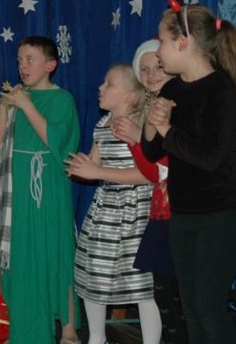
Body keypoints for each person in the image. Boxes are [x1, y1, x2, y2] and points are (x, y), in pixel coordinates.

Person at [141, 0, 236, 344]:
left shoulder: (220, 90)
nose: (158, 51)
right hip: (184, 214)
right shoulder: (173, 88)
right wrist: (152, 122)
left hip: (220, 215)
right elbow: (152, 151)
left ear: (183, 42)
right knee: (191, 309)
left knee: (209, 308)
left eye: (162, 41)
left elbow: (209, 158)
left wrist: (166, 128)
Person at [0, 35, 80, 344]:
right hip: (18, 194)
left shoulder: (62, 99)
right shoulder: (18, 97)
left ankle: (68, 329)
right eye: (19, 60)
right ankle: (27, 332)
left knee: (55, 253)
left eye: (30, 59)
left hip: (47, 191)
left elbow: (57, 142)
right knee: (22, 259)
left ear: (50, 65)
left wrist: (26, 105)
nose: (23, 66)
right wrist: (5, 108)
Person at [67, 63, 161, 344]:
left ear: (130, 96)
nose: (101, 87)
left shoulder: (141, 123)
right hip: (105, 210)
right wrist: (80, 167)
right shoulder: (102, 124)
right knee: (94, 270)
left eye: (109, 84)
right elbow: (94, 164)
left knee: (143, 282)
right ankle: (97, 337)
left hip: (137, 210)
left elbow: (148, 175)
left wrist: (97, 172)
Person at [112, 40, 188, 344]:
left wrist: (138, 139)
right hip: (161, 211)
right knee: (164, 296)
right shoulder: (148, 111)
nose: (151, 74)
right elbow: (152, 172)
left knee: (181, 298)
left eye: (157, 66)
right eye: (143, 70)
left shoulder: (179, 106)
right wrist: (135, 141)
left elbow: (178, 162)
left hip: (183, 210)